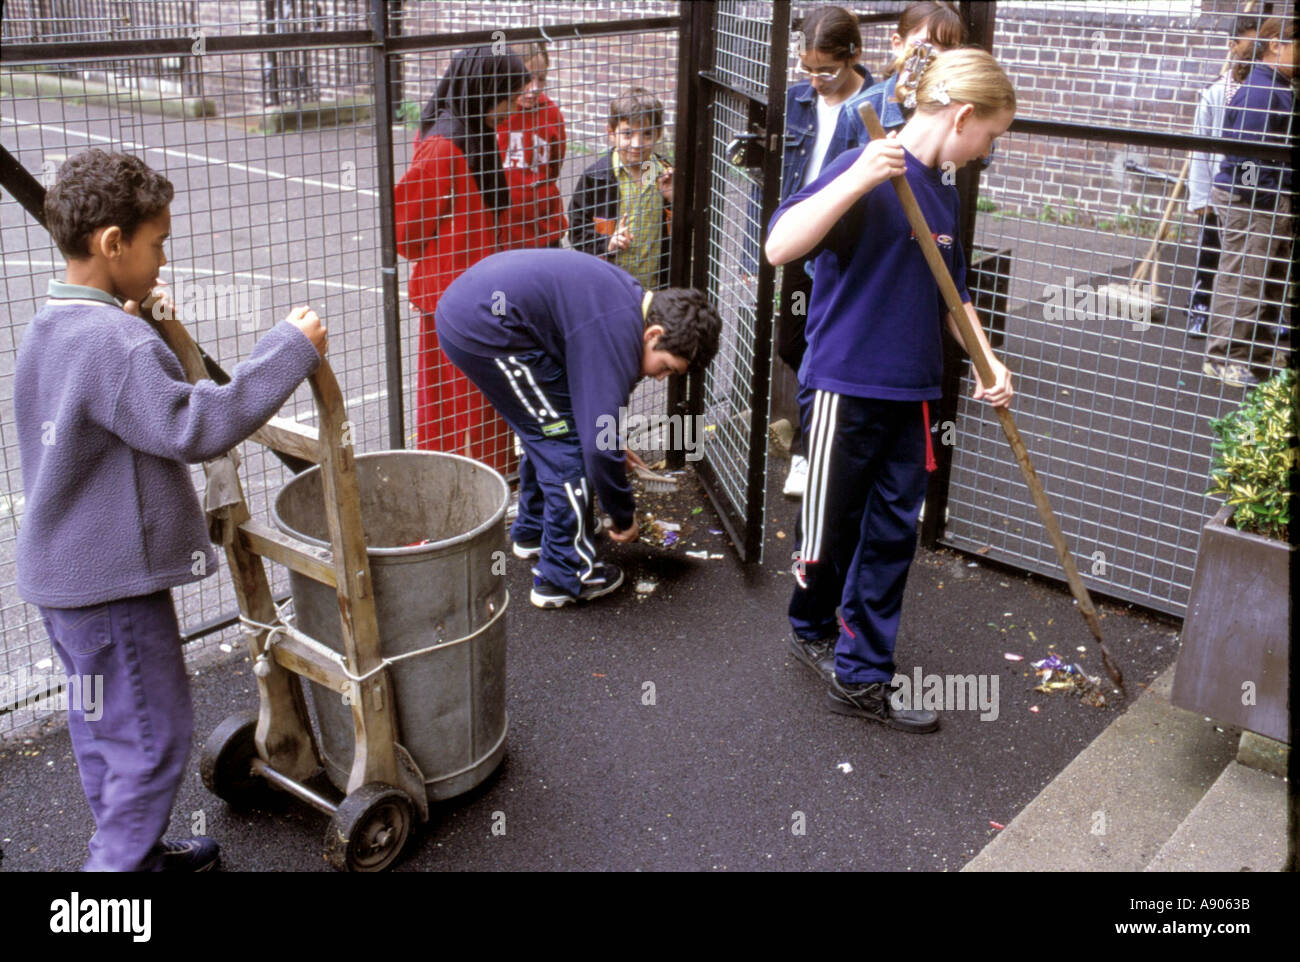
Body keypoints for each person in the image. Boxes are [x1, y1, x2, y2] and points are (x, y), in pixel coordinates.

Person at [14, 149, 327, 871]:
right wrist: (288, 350)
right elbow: (194, 425)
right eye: (155, 244)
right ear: (112, 244)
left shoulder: (55, 326)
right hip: (113, 595)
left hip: (64, 589)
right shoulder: (116, 344)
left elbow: (112, 406)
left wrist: (142, 331)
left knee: (102, 729)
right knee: (152, 741)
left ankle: (135, 853)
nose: (161, 260)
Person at [766, 48, 1015, 732]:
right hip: (847, 383)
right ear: (962, 115)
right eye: (989, 136)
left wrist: (990, 363)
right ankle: (812, 624)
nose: (986, 151)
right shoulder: (866, 166)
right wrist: (853, 182)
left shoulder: (939, 190)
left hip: (913, 392)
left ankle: (861, 674)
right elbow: (781, 245)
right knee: (830, 527)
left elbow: (953, 296)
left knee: (891, 535)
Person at [434, 249, 719, 609]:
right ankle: (564, 575)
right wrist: (623, 515)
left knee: (553, 428)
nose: (660, 377)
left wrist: (606, 438)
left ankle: (535, 531)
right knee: (565, 443)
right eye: (666, 367)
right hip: (488, 329)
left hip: (485, 311)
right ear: (655, 334)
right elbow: (596, 447)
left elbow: (600, 424)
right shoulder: (616, 332)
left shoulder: (629, 307)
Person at [395, 47, 528, 472]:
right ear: (488, 92)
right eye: (510, 94)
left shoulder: (476, 130)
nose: (515, 104)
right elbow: (405, 228)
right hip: (450, 295)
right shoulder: (444, 145)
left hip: (480, 289)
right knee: (449, 400)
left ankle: (490, 477)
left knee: (485, 392)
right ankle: (449, 480)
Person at [774, 5, 872, 499]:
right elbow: (778, 174)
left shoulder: (876, 104)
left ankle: (810, 451)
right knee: (793, 343)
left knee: (828, 346)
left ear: (854, 54)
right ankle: (819, 437)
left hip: (847, 244)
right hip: (802, 237)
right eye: (806, 68)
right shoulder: (796, 99)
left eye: (825, 70)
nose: (814, 79)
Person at [1204, 16, 1295, 388]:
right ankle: (1224, 357)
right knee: (1243, 277)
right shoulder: (1261, 92)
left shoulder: (1281, 86)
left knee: (1268, 279)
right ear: (1277, 45)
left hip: (1270, 199)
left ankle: (1256, 351)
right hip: (1252, 202)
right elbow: (1245, 160)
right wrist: (1260, 199)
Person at [1186, 14, 1260, 338]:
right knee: (1211, 253)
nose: (1257, 49)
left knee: (1249, 258)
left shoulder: (1267, 93)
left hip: (1250, 191)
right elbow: (1199, 150)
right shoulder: (1215, 94)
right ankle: (1201, 307)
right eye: (1251, 42)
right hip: (1218, 189)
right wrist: (1200, 199)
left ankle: (1245, 320)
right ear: (1233, 46)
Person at [825, 0, 967, 164]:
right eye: (925, 45)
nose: (935, 55)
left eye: (947, 48)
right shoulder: (859, 108)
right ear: (898, 44)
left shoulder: (960, 105)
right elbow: (831, 181)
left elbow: (980, 159)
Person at [569, 87, 674, 291]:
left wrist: (672, 200)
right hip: (608, 288)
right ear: (611, 133)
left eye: (646, 134)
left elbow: (683, 233)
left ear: (658, 134)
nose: (636, 144)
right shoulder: (596, 178)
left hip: (653, 288)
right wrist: (607, 243)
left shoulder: (661, 173)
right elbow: (576, 231)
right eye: (627, 134)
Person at [497, 41, 568, 250]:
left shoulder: (551, 113)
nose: (534, 88)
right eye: (527, 79)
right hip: (503, 233)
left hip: (543, 231)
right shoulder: (496, 113)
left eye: (542, 78)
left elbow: (555, 165)